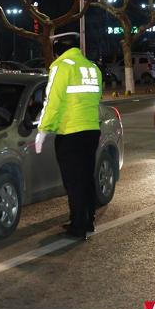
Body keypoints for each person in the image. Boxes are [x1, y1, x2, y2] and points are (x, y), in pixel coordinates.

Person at [35, 32, 102, 240]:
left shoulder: (61, 66)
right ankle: (87, 221)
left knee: (73, 182)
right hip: (91, 130)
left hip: (70, 132)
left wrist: (43, 130)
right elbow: (96, 98)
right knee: (86, 178)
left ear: (58, 49)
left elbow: (52, 101)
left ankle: (78, 227)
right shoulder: (92, 68)